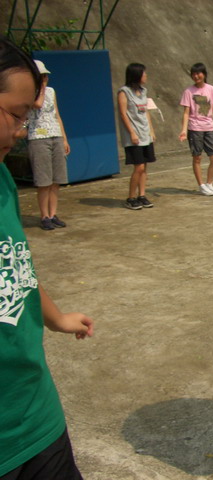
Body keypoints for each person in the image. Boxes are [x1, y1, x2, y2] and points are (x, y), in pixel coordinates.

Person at [0, 36, 94, 479]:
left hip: (36, 417)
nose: (19, 131)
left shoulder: (2, 180)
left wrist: (55, 317)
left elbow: (14, 268)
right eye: (15, 115)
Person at [27, 60, 70, 230]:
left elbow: (56, 115)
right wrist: (41, 88)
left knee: (57, 179)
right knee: (43, 180)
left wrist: (64, 138)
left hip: (55, 134)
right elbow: (37, 105)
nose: (45, 78)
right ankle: (44, 215)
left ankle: (53, 214)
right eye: (42, 76)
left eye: (46, 76)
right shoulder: (30, 92)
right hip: (38, 137)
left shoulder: (52, 91)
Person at [179, 63, 213, 196]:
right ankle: (201, 185)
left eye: (198, 73)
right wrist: (184, 130)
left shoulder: (211, 89)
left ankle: (209, 184)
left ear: (204, 74)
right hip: (195, 128)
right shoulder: (188, 92)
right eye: (193, 74)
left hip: (209, 127)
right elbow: (186, 112)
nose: (196, 76)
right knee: (197, 157)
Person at [117, 63, 156, 210]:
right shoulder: (124, 92)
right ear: (136, 75)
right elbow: (123, 114)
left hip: (145, 133)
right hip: (134, 136)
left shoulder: (143, 91)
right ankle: (131, 197)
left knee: (144, 166)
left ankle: (142, 195)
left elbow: (146, 112)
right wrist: (132, 132)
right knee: (138, 167)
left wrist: (151, 130)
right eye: (144, 73)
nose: (146, 76)